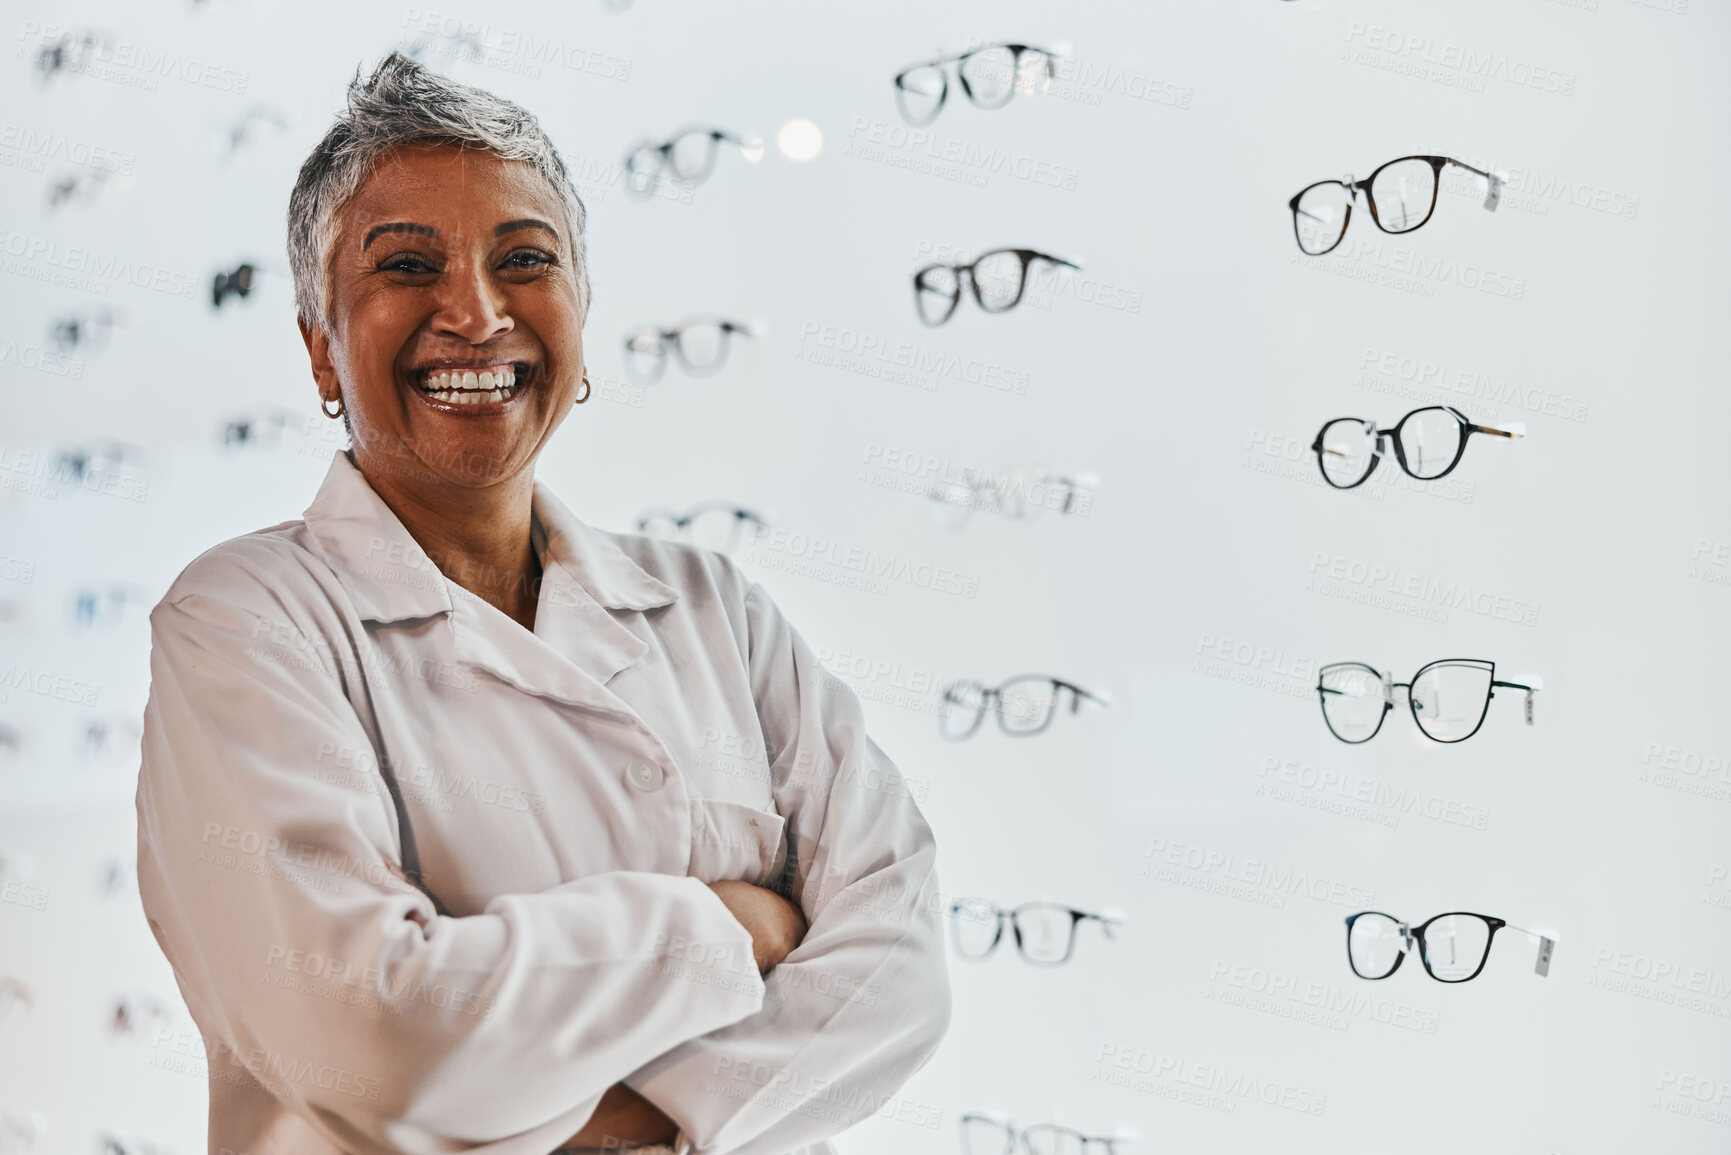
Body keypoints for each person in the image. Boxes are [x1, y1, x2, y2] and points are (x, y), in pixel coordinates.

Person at [135, 53, 950, 1155]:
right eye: (406, 265)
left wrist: (630, 1126)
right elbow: (374, 1040)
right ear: (322, 348)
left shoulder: (714, 609)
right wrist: (726, 924)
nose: (474, 313)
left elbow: (896, 972)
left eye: (524, 259)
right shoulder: (246, 619)